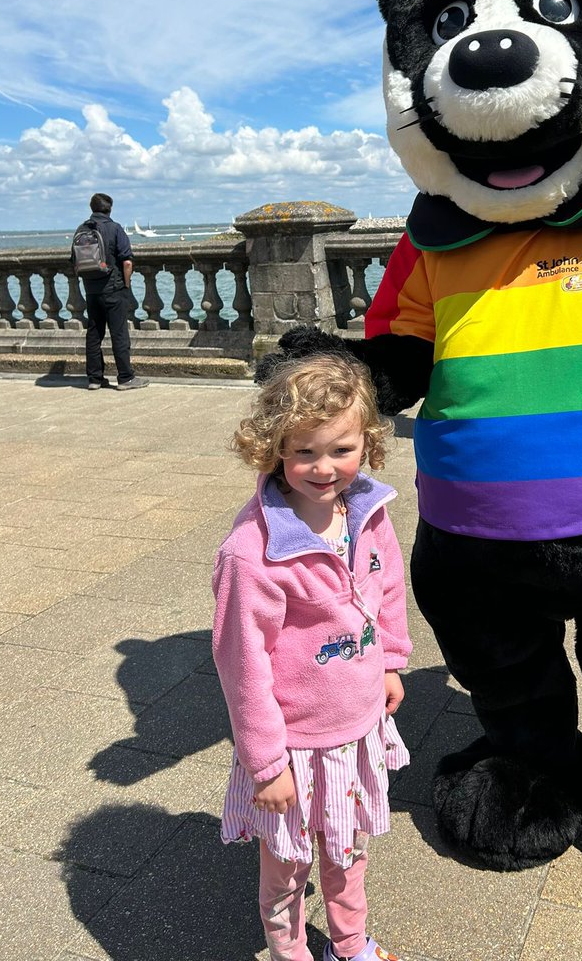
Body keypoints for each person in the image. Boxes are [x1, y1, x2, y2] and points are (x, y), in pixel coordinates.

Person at [212, 353, 412, 961]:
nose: (325, 468)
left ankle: (350, 944)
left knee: (349, 854)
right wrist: (266, 764)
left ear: (368, 442)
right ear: (274, 447)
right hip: (295, 746)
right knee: (286, 870)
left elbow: (387, 587)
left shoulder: (367, 512)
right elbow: (243, 665)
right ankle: (291, 952)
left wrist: (390, 659)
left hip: (356, 730)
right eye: (304, 452)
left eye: (341, 450)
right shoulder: (252, 553)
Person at [73, 193, 148, 391]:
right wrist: (126, 285)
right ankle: (125, 377)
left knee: (94, 334)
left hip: (91, 290)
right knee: (119, 334)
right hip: (113, 288)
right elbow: (127, 262)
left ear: (92, 208)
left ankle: (95, 378)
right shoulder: (115, 228)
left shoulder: (81, 229)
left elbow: (74, 261)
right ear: (110, 208)